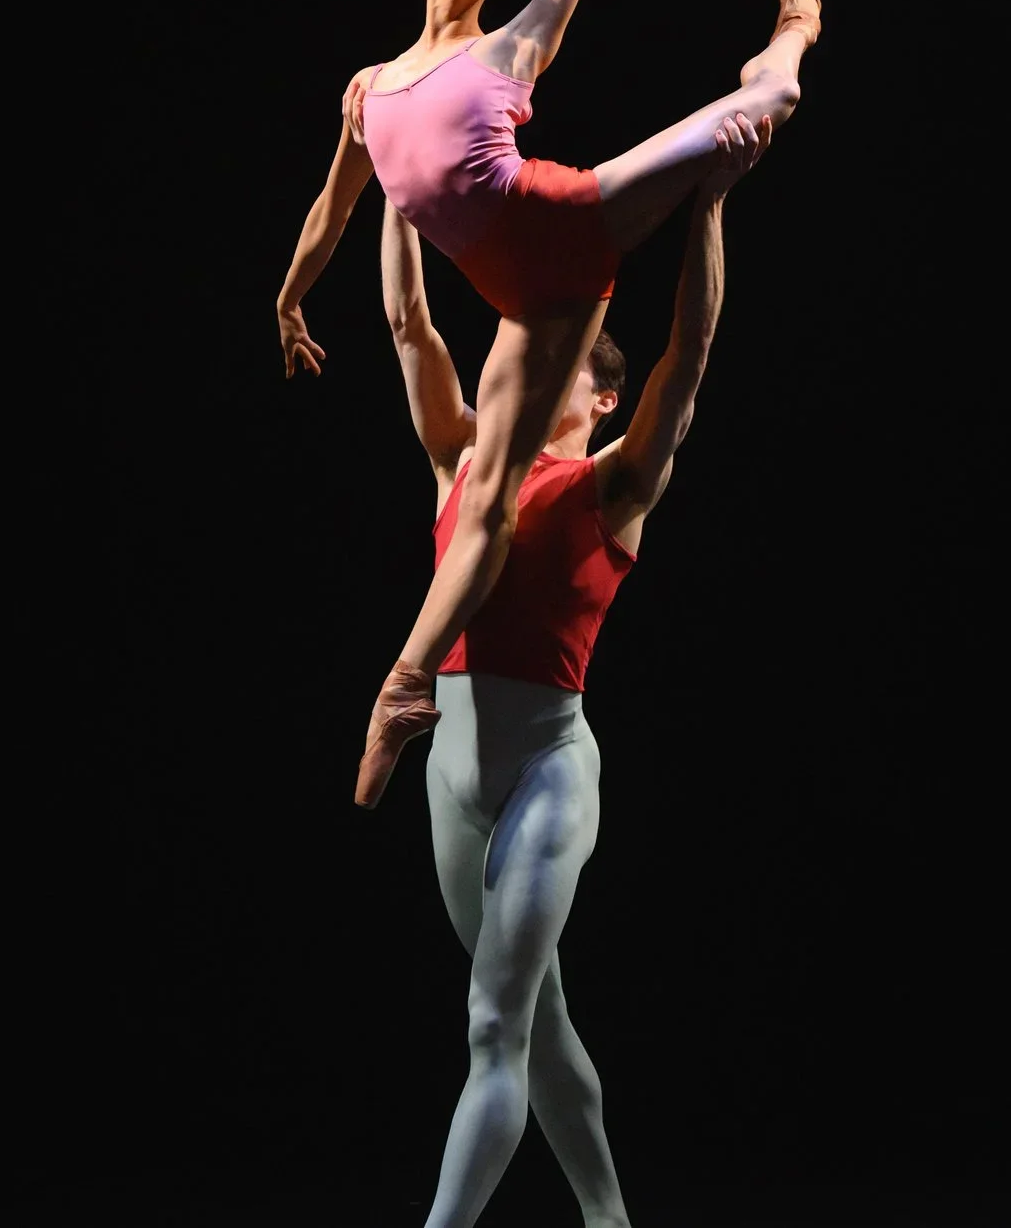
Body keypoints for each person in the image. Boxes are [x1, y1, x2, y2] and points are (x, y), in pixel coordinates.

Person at [271, 0, 824, 806]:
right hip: (521, 295)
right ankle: (411, 685)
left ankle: (793, 24)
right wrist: (287, 300)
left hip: (566, 225)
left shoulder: (514, 41)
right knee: (487, 496)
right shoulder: (368, 89)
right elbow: (335, 207)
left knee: (771, 101)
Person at [378, 107, 761, 1227]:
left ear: (598, 398)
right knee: (535, 1022)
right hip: (452, 774)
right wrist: (395, 190)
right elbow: (409, 325)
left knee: (491, 1024)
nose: (542, 369)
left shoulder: (613, 489)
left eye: (571, 370)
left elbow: (688, 354)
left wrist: (710, 206)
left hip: (549, 766)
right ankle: (610, 1218)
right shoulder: (463, 463)